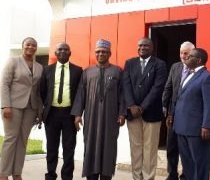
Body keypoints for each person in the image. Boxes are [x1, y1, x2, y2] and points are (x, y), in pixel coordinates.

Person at [71, 39, 126, 180]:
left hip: (110, 118)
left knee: (109, 147)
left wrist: (121, 113)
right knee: (90, 146)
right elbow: (80, 94)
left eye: (104, 52)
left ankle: (106, 176)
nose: (100, 54)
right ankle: (92, 176)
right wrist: (77, 115)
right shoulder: (87, 72)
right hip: (91, 118)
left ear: (110, 53)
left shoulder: (117, 71)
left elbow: (122, 94)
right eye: (98, 52)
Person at [122, 37, 167, 180]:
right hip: (132, 114)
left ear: (152, 48)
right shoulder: (130, 63)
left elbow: (157, 88)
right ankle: (137, 177)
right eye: (140, 45)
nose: (142, 48)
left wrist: (142, 107)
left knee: (149, 150)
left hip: (152, 114)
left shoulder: (160, 64)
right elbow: (126, 85)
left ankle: (148, 178)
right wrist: (131, 105)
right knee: (135, 149)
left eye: (146, 46)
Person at [0, 37, 43, 180]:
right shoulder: (13, 61)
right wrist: (6, 105)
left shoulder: (39, 67)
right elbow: (4, 83)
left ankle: (17, 173)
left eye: (34, 45)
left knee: (23, 140)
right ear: (23, 46)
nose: (31, 47)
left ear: (36, 48)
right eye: (28, 44)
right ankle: (3, 173)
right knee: (11, 139)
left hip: (31, 108)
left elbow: (37, 91)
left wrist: (39, 111)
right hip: (12, 106)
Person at [173, 48, 210, 180]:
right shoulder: (188, 75)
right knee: (188, 165)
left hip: (197, 130)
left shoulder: (208, 77)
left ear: (198, 60)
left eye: (190, 56)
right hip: (181, 128)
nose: (186, 57)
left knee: (200, 164)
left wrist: (207, 126)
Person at [40, 42, 82, 180]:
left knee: (69, 149)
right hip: (51, 114)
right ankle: (50, 175)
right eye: (60, 49)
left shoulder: (78, 70)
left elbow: (80, 95)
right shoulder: (47, 70)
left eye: (66, 49)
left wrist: (77, 114)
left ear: (70, 53)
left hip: (69, 115)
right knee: (52, 148)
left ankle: (67, 177)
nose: (63, 51)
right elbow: (42, 92)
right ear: (55, 53)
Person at [162, 41, 195, 180]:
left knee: (186, 149)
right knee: (171, 147)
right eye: (181, 53)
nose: (183, 56)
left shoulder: (197, 69)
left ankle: (186, 175)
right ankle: (172, 174)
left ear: (193, 54)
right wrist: (165, 109)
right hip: (172, 114)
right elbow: (168, 88)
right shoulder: (175, 67)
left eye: (186, 53)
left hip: (188, 116)